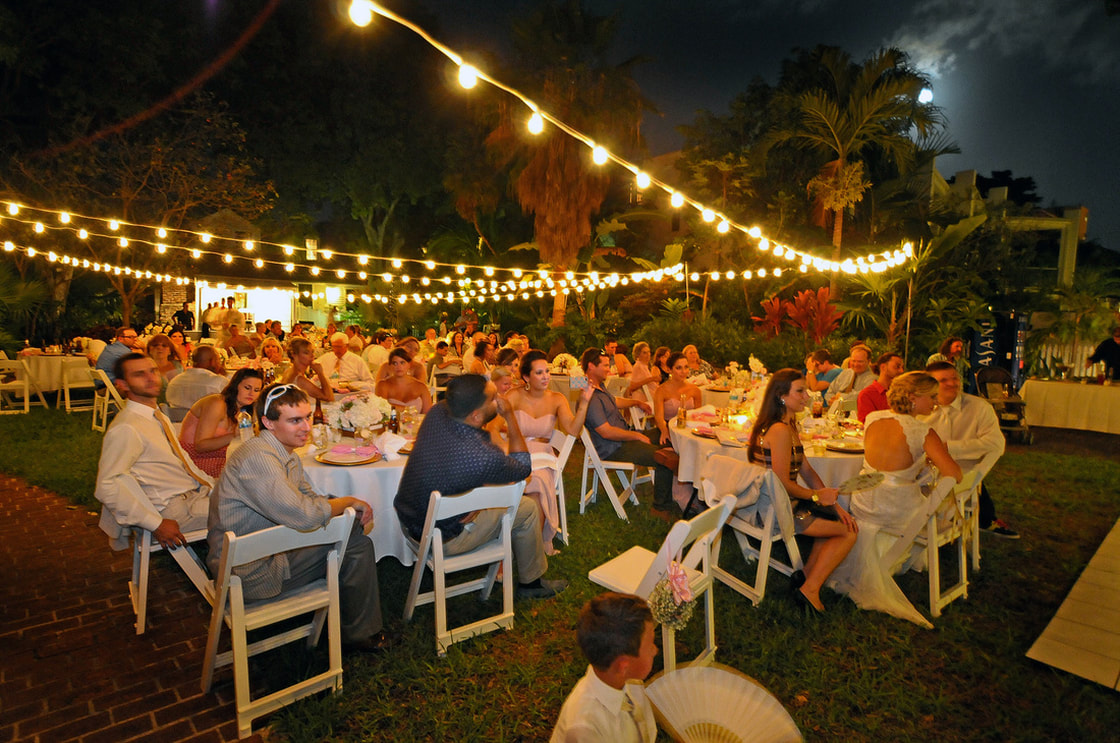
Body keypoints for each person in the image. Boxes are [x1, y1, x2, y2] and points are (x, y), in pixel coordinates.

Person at [206, 383, 390, 652]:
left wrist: (337, 510)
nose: (306, 427)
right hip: (249, 574)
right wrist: (349, 502)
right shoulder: (259, 459)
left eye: (306, 417)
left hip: (262, 554)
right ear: (268, 422)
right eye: (294, 420)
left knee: (350, 533)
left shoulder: (280, 452)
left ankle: (351, 621)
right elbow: (304, 515)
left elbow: (306, 496)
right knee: (356, 543)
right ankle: (360, 632)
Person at [394, 374, 568, 600]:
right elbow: (523, 467)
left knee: (490, 498)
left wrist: (472, 499)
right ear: (476, 415)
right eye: (493, 398)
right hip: (443, 539)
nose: (500, 399)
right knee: (528, 509)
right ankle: (531, 583)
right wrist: (510, 417)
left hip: (410, 521)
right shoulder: (482, 456)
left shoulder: (436, 413)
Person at [828, 372, 962, 626]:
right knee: (930, 503)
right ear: (913, 398)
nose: (936, 402)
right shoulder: (923, 431)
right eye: (931, 397)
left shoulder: (873, 418)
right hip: (895, 508)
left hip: (863, 501)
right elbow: (954, 473)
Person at [748, 369, 858, 613]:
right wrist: (818, 497)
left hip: (782, 501)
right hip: (777, 508)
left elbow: (806, 470)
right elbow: (781, 482)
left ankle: (804, 578)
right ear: (781, 396)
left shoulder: (787, 424)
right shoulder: (779, 431)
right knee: (849, 532)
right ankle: (810, 590)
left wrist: (834, 505)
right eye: (800, 391)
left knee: (834, 517)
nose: (807, 396)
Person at [94, 353, 213, 551]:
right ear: (122, 385)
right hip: (176, 512)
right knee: (257, 513)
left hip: (193, 495)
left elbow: (183, 461)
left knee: (253, 495)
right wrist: (155, 524)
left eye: (153, 371)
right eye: (139, 374)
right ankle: (235, 575)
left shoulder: (155, 416)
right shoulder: (127, 428)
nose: (151, 378)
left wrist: (212, 485)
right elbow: (107, 485)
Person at [507, 349, 592, 552]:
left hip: (542, 455)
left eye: (547, 371)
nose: (546, 376)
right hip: (515, 451)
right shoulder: (514, 395)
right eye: (539, 372)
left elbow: (573, 429)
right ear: (526, 376)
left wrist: (584, 403)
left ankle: (532, 547)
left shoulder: (557, 399)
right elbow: (494, 425)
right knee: (500, 479)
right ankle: (506, 546)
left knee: (535, 480)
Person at [581, 348, 679, 522]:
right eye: (604, 365)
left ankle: (678, 494)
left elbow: (613, 401)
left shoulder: (599, 386)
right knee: (664, 457)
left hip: (624, 438)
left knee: (668, 435)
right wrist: (635, 436)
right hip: (614, 448)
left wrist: (636, 402)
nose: (609, 369)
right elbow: (605, 431)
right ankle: (660, 507)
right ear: (591, 367)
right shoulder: (590, 396)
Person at [925, 360, 1017, 537]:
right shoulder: (922, 407)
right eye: (943, 380)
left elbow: (997, 444)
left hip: (958, 477)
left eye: (954, 378)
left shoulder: (979, 407)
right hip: (923, 471)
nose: (952, 383)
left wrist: (949, 448)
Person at [551, 593, 658, 743]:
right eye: (650, 645)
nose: (655, 650)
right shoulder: (585, 729)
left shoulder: (629, 683)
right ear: (623, 666)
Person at [179, 368, 264, 478]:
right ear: (235, 386)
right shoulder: (217, 403)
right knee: (252, 473)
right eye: (247, 388)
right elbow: (200, 446)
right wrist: (234, 434)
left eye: (257, 390)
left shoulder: (244, 411)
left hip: (220, 457)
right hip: (195, 460)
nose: (251, 393)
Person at [652, 352, 703, 445]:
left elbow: (698, 415)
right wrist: (664, 430)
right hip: (668, 429)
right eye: (678, 368)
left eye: (686, 367)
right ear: (669, 370)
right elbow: (659, 417)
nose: (683, 371)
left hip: (689, 430)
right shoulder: (661, 390)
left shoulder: (695, 390)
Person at [166, 345, 227, 411]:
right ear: (212, 361)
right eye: (218, 360)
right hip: (209, 420)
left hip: (176, 420)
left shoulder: (174, 382)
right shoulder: (219, 382)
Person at [375, 348, 432, 414]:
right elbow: (381, 409)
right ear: (390, 366)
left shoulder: (421, 387)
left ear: (409, 364)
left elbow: (428, 415)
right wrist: (408, 410)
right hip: (392, 423)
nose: (399, 367)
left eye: (402, 362)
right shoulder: (382, 385)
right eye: (395, 363)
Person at [279, 337, 334, 402]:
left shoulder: (288, 371)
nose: (312, 355)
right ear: (294, 354)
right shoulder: (299, 379)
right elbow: (329, 397)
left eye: (312, 352)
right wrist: (320, 373)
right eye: (306, 353)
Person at [857, 352, 904, 422]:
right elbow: (867, 425)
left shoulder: (902, 392)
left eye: (902, 367)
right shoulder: (867, 394)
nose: (901, 371)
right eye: (897, 366)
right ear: (883, 367)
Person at [145, 333, 183, 404]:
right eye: (155, 345)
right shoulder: (145, 369)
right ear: (149, 349)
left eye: (164, 345)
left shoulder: (178, 366)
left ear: (170, 351)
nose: (159, 348)